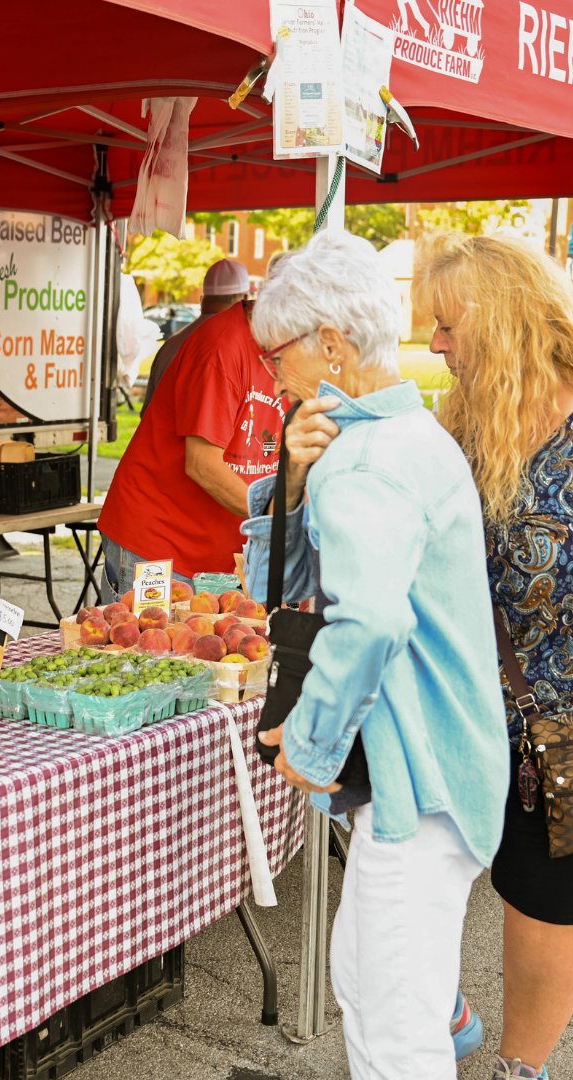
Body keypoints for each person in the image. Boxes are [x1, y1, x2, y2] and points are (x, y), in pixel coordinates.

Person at [241, 229, 509, 1079]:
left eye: (277, 353)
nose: (270, 374)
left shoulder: (366, 462)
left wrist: (311, 749)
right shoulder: (409, 436)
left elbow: (369, 625)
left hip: (416, 783)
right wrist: (287, 484)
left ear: (332, 344)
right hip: (443, 771)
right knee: (371, 979)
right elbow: (284, 582)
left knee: (392, 1034)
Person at [419, 233, 573, 1080]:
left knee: (542, 902)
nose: (435, 345)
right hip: (474, 706)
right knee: (424, 850)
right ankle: (444, 1010)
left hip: (562, 727)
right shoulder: (463, 424)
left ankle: (523, 1069)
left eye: (447, 325)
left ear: (502, 318)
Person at [97, 283, 284, 597]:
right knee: (147, 646)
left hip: (221, 556)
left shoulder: (289, 351)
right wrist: (279, 520)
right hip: (159, 543)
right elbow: (202, 465)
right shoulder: (221, 346)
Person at [143, 258, 248, 406]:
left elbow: (147, 413)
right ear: (244, 298)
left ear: (203, 299)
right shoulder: (237, 349)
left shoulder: (170, 346)